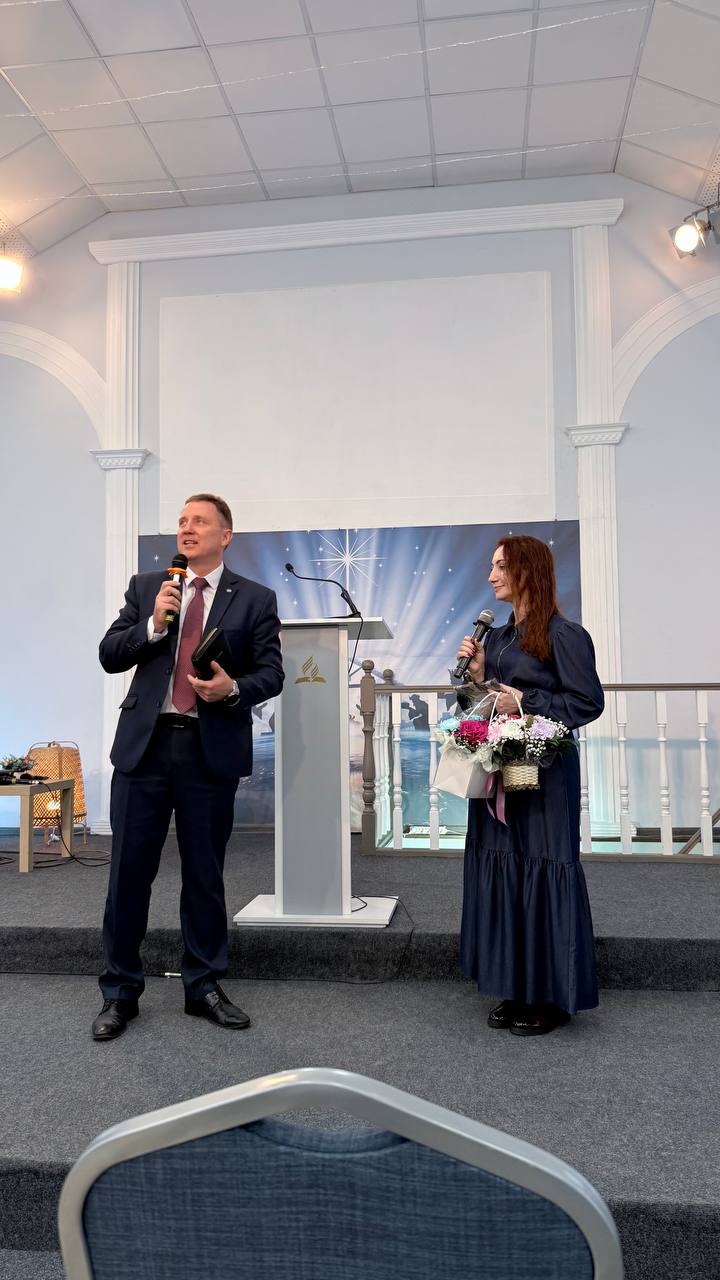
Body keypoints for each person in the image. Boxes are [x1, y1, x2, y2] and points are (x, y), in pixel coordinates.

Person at [92, 493, 284, 1042]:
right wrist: (153, 625)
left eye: (199, 521)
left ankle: (203, 985)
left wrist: (232, 689)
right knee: (129, 874)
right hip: (145, 748)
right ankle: (119, 992)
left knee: (204, 875)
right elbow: (110, 654)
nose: (187, 528)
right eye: (181, 521)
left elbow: (272, 673)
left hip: (207, 749)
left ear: (226, 534)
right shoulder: (148, 587)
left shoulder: (255, 599)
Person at [454, 535, 603, 1036]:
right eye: (491, 566)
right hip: (499, 773)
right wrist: (477, 679)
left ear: (527, 571)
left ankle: (550, 996)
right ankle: (514, 986)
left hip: (545, 777)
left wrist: (525, 700)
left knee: (544, 866)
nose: (491, 576)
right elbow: (485, 704)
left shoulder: (566, 635)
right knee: (505, 869)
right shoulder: (496, 637)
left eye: (501, 566)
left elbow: (586, 703)